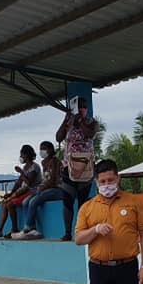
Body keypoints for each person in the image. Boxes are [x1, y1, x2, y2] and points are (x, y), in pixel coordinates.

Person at [56, 96, 98, 241]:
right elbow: (58, 137)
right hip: (69, 167)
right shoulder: (69, 123)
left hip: (86, 167)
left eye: (83, 107)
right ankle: (67, 232)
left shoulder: (91, 122)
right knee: (67, 200)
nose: (81, 109)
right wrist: (66, 119)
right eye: (78, 107)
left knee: (83, 200)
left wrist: (79, 121)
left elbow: (90, 134)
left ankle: (82, 231)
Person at [13, 140, 65, 240]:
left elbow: (53, 181)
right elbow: (45, 180)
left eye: (44, 149)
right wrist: (40, 188)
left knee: (34, 201)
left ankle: (28, 228)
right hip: (47, 188)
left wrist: (41, 188)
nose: (41, 151)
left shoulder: (55, 161)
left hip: (58, 189)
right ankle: (32, 229)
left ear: (50, 150)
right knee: (25, 202)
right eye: (41, 149)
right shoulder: (44, 163)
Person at [0, 145, 41, 238]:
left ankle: (14, 229)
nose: (21, 157)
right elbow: (19, 183)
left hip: (32, 191)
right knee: (5, 203)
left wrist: (21, 172)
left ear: (26, 155)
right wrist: (10, 194)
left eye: (22, 155)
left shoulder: (34, 167)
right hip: (24, 191)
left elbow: (29, 183)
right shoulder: (25, 168)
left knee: (10, 204)